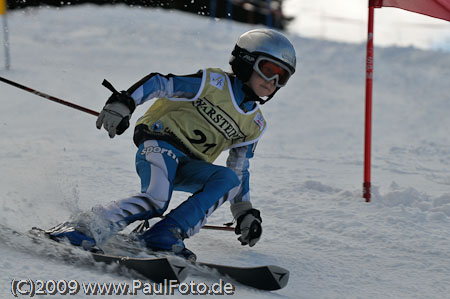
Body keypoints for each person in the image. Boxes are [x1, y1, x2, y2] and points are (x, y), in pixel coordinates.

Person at [46, 28, 296, 260]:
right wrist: (125, 103)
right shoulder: (213, 84)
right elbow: (160, 83)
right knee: (156, 199)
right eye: (268, 69)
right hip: (160, 144)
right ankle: (82, 227)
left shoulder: (255, 124)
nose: (272, 81)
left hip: (190, 165)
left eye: (281, 77)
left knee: (228, 179)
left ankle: (164, 235)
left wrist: (244, 211)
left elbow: (240, 170)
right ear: (246, 61)